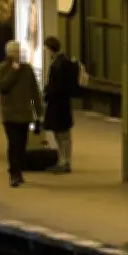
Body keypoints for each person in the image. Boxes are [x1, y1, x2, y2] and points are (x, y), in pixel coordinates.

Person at [0, 40, 43, 187]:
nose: (16, 56)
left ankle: (18, 171)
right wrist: (13, 71)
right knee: (14, 144)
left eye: (18, 53)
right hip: (9, 115)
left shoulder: (27, 69)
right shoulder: (3, 69)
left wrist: (39, 113)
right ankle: (14, 173)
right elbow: (2, 86)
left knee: (22, 145)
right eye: (14, 53)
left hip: (24, 114)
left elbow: (35, 91)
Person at [42, 36, 74, 174]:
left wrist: (47, 92)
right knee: (62, 133)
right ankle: (64, 160)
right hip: (62, 103)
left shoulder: (58, 64)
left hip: (58, 104)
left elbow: (57, 85)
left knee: (62, 134)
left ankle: (64, 161)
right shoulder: (63, 61)